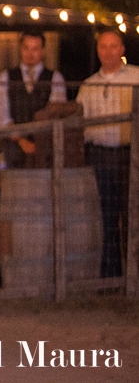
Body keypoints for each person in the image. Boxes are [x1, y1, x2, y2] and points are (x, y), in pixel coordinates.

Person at [77, 27, 139, 278]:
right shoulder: (89, 86)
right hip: (100, 157)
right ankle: (110, 277)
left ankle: (133, 277)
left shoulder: (136, 77)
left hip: (131, 155)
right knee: (106, 217)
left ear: (122, 50)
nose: (109, 51)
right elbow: (79, 125)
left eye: (114, 46)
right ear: (98, 50)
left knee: (133, 214)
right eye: (103, 46)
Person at [0, 29, 67, 168]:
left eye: (35, 49)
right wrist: (21, 140)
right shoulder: (5, 77)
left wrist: (38, 143)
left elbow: (57, 116)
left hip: (44, 151)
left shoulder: (55, 79)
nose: (30, 54)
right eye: (26, 48)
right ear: (20, 49)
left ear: (43, 51)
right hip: (12, 150)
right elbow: (1, 117)